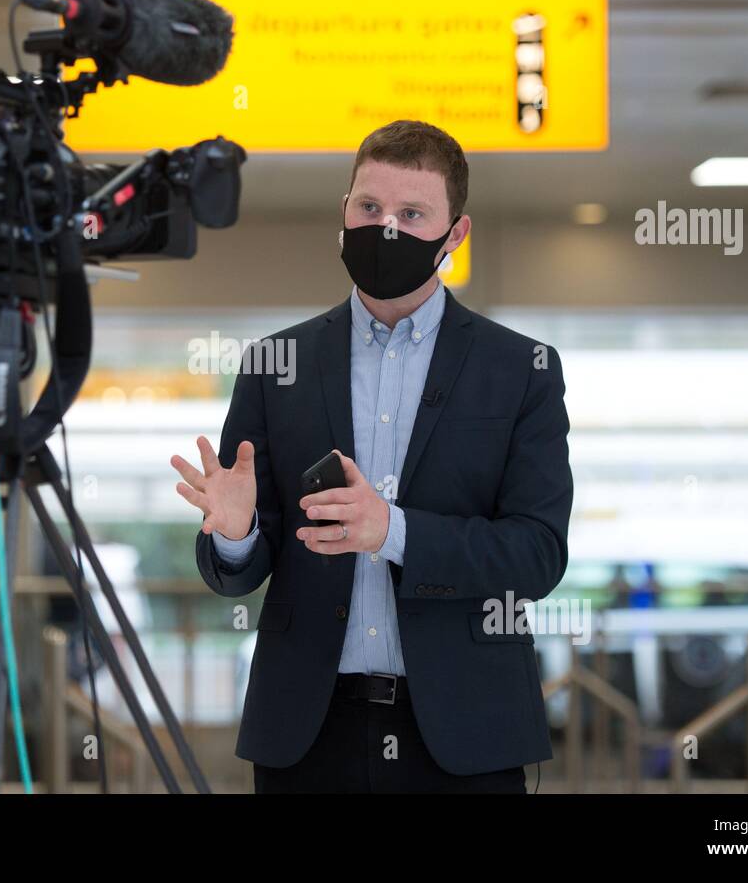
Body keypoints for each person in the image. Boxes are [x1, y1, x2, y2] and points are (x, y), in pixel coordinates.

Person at [172, 120, 573, 793]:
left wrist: (395, 532)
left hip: (464, 732)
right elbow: (240, 573)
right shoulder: (278, 365)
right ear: (345, 212)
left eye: (412, 214)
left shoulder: (520, 369)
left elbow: (537, 554)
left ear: (456, 235)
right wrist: (237, 536)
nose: (385, 228)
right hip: (306, 731)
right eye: (369, 208)